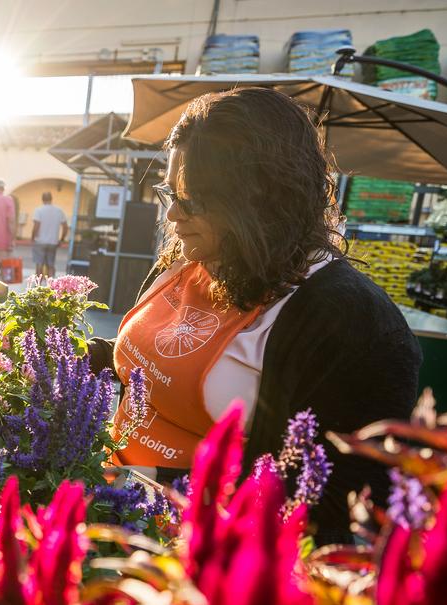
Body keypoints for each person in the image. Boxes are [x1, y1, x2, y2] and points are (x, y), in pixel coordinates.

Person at [87, 87, 421, 544]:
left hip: (208, 546)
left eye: (197, 198)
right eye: (171, 192)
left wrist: (161, 483)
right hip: (112, 502)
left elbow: (339, 499)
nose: (175, 214)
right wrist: (79, 356)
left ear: (261, 198)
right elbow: (152, 363)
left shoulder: (355, 322)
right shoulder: (188, 256)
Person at [31, 191, 67, 277]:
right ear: (51, 199)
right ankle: (51, 286)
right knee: (50, 265)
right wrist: (61, 239)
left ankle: (38, 287)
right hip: (53, 242)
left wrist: (33, 237)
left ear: (42, 199)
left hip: (40, 241)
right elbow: (65, 227)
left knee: (39, 264)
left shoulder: (38, 210)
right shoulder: (59, 210)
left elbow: (36, 225)